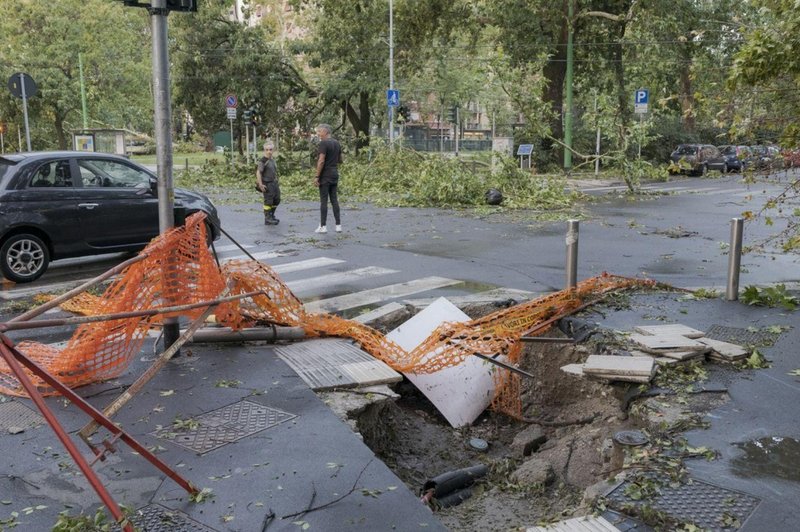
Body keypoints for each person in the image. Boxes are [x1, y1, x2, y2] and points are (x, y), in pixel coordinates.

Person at [314, 124, 343, 233]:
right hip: (335, 173)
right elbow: (340, 159)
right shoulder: (337, 143)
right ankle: (338, 225)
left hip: (325, 175)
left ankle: (323, 226)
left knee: (324, 201)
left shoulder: (323, 143)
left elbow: (321, 161)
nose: (318, 133)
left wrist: (317, 176)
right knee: (334, 200)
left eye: (319, 131)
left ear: (326, 132)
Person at [256, 142, 281, 225]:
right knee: (268, 201)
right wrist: (260, 184)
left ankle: (271, 215)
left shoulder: (272, 160)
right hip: (267, 183)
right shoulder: (263, 161)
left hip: (274, 183)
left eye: (270, 149)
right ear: (264, 150)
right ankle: (267, 219)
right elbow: (258, 173)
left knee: (277, 200)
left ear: (273, 150)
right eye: (267, 150)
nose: (269, 151)